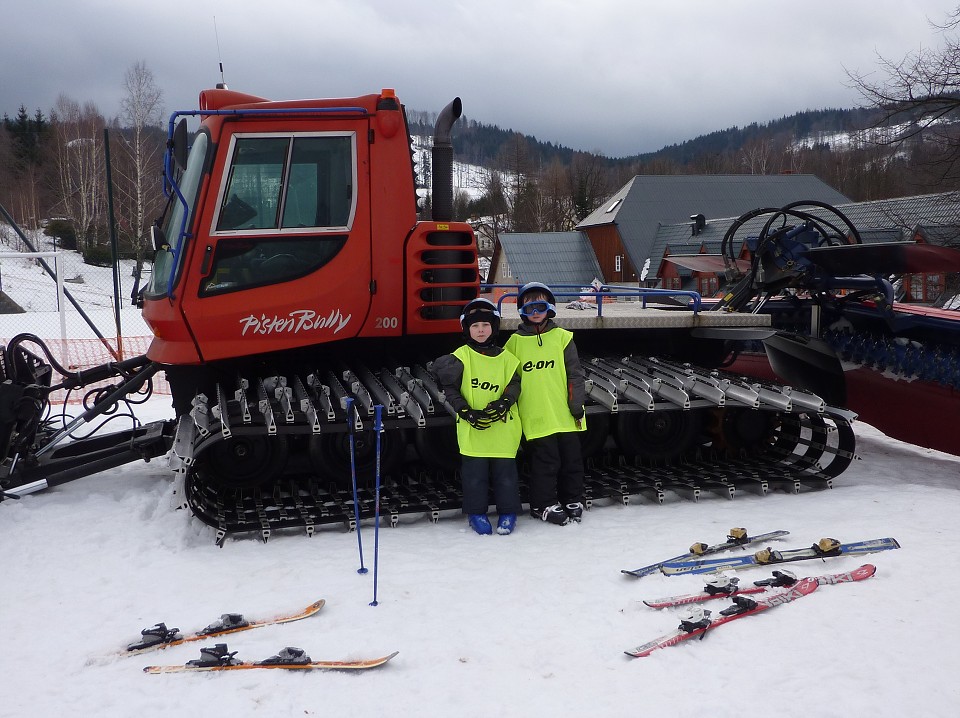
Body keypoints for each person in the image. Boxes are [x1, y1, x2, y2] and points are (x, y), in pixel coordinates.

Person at [433, 298, 523, 536]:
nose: (480, 330)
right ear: (466, 329)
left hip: (503, 429)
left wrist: (504, 403)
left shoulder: (508, 359)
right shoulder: (459, 357)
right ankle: (476, 513)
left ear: (494, 327)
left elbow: (515, 385)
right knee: (475, 477)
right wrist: (465, 411)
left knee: (506, 476)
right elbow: (450, 389)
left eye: (485, 324)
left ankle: (508, 512)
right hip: (474, 430)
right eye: (475, 326)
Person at [504, 282, 586, 526]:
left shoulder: (562, 338)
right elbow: (511, 379)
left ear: (550, 308)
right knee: (545, 462)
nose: (536, 313)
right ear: (522, 312)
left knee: (571, 460)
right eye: (530, 308)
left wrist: (576, 404)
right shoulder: (514, 343)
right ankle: (543, 504)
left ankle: (572, 498)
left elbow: (575, 374)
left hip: (565, 414)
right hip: (536, 417)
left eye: (540, 307)